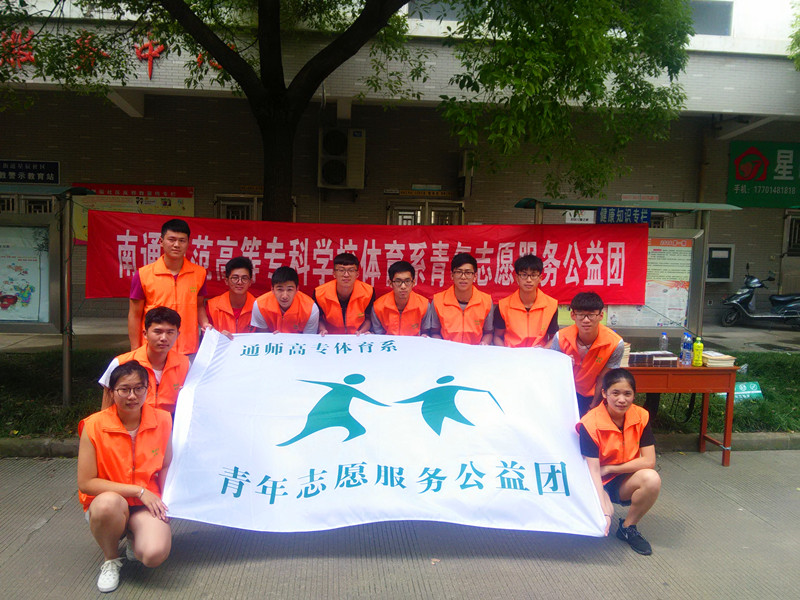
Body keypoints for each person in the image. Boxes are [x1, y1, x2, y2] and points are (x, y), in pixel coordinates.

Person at [78, 361, 172, 593]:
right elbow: (86, 483)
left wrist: (168, 502)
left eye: (139, 388)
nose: (132, 396)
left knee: (153, 554)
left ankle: (133, 534)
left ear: (148, 389)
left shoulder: (163, 420)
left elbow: (166, 465)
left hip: (145, 504)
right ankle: (111, 559)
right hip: (110, 502)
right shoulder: (93, 425)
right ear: (111, 392)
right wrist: (138, 491)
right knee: (108, 505)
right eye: (124, 389)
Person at [577, 368, 660, 555]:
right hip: (594, 480)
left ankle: (628, 527)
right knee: (605, 513)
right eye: (615, 393)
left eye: (627, 394)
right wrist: (605, 511)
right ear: (604, 393)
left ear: (634, 395)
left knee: (652, 479)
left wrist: (611, 468)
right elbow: (593, 471)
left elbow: (649, 461)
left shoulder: (641, 416)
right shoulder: (590, 424)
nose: (622, 400)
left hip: (620, 477)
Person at [128, 218, 210, 356]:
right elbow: (135, 315)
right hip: (154, 349)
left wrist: (205, 324)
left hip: (188, 349)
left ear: (188, 243)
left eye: (182, 240)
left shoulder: (199, 273)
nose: (176, 245)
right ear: (161, 241)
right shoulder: (143, 274)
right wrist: (135, 351)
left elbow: (199, 306)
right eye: (171, 239)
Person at [100, 307, 189, 415]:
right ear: (145, 334)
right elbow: (106, 409)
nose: (164, 338)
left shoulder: (185, 364)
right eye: (158, 332)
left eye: (170, 332)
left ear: (178, 335)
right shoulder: (121, 363)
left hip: (170, 421)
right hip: (131, 421)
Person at [550, 292, 624, 416]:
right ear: (573, 315)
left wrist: (594, 405)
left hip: (594, 394)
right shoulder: (560, 337)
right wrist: (562, 364)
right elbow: (552, 372)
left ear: (601, 315)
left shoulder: (615, 343)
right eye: (580, 314)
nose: (586, 320)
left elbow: (604, 378)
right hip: (565, 393)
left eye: (591, 315)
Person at [425, 252, 494, 345]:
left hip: (475, 351)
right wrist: (442, 346)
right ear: (452, 275)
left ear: (475, 276)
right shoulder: (438, 300)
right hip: (447, 351)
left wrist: (484, 343)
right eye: (458, 272)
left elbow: (488, 332)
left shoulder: (486, 301)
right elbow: (435, 332)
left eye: (468, 273)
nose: (463, 277)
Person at [493, 254, 558, 348]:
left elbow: (553, 338)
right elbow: (497, 336)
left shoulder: (551, 305)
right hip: (512, 354)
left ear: (540, 278)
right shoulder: (503, 306)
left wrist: (544, 351)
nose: (529, 280)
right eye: (524, 275)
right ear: (517, 278)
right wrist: (507, 353)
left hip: (538, 354)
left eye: (533, 275)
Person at [313, 253, 375, 335]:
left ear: (357, 274)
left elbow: (369, 318)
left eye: (351, 270)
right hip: (330, 336)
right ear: (334, 273)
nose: (346, 275)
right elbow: (319, 318)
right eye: (341, 270)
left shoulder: (368, 292)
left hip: (357, 336)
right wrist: (322, 330)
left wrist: (362, 331)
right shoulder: (320, 293)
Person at [251, 266, 319, 333]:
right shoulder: (260, 305)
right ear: (272, 289)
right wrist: (274, 338)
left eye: (289, 290)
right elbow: (262, 337)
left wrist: (284, 337)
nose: (284, 296)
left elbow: (308, 339)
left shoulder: (311, 309)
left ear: (297, 289)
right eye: (280, 289)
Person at [371, 260, 429, 336]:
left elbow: (426, 332)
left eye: (407, 281)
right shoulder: (378, 307)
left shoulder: (424, 305)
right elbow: (378, 335)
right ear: (390, 283)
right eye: (398, 281)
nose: (403, 286)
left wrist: (425, 335)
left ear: (413, 283)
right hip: (389, 343)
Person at [205, 256, 256, 336]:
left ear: (250, 282)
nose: (239, 282)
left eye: (244, 278)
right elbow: (206, 338)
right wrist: (219, 337)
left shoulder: (258, 307)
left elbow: (264, 337)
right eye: (235, 278)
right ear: (226, 281)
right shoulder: (212, 307)